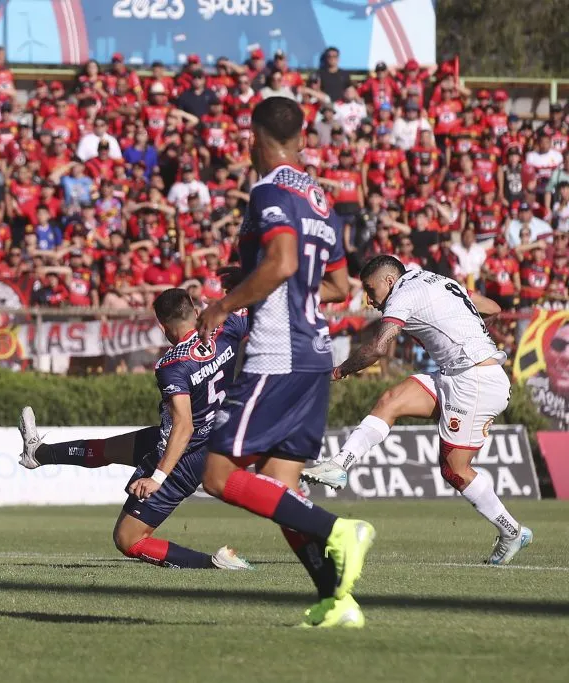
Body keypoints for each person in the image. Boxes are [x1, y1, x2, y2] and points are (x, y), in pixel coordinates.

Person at [194, 97, 373, 628]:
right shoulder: (320, 197)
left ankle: (342, 530)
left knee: (218, 474)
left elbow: (284, 261)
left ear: (256, 137)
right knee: (277, 484)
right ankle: (337, 601)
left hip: (279, 351)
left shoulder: (269, 188)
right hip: (316, 355)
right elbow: (340, 285)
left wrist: (225, 303)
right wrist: (263, 277)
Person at [303, 255, 533, 565]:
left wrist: (338, 372)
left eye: (371, 291)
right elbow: (491, 307)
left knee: (455, 470)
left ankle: (512, 530)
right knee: (391, 400)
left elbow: (378, 348)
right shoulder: (435, 279)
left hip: (474, 380)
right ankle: (339, 465)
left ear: (388, 281)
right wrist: (469, 331)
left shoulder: (403, 294)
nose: (370, 301)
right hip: (460, 373)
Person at [17, 282, 250, 571]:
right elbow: (259, 313)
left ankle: (211, 565)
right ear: (195, 308)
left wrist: (157, 478)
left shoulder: (173, 365)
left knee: (128, 539)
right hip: (203, 438)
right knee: (107, 450)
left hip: (183, 456)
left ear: (162, 326)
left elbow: (184, 426)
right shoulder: (227, 329)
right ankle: (38, 453)